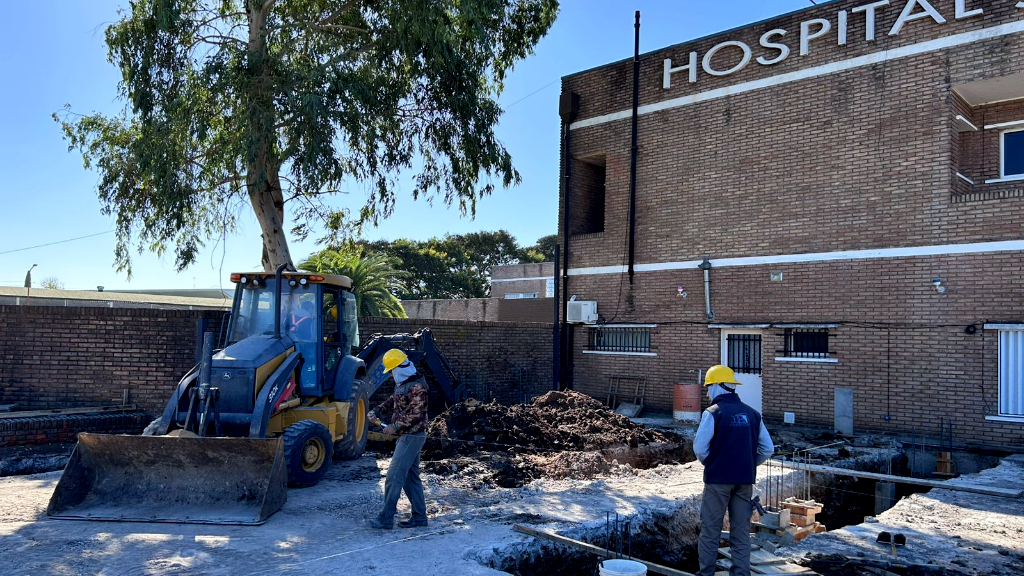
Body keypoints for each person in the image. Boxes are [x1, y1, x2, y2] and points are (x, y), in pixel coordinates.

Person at [693, 365, 774, 576]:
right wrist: (747, 463)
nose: (708, 393)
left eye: (708, 387)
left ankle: (706, 574)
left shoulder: (713, 412)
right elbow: (768, 448)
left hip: (718, 480)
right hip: (744, 480)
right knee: (741, 532)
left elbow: (700, 448)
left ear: (718, 387)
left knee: (710, 531)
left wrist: (714, 463)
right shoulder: (753, 414)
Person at [366, 349, 429, 530]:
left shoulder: (417, 387)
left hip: (412, 436)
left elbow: (417, 414)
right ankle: (419, 517)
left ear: (399, 368)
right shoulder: (405, 384)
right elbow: (393, 401)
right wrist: (377, 411)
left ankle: (386, 518)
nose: (391, 374)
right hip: (409, 436)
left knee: (394, 477)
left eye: (391, 370)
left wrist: (395, 427)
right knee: (410, 478)